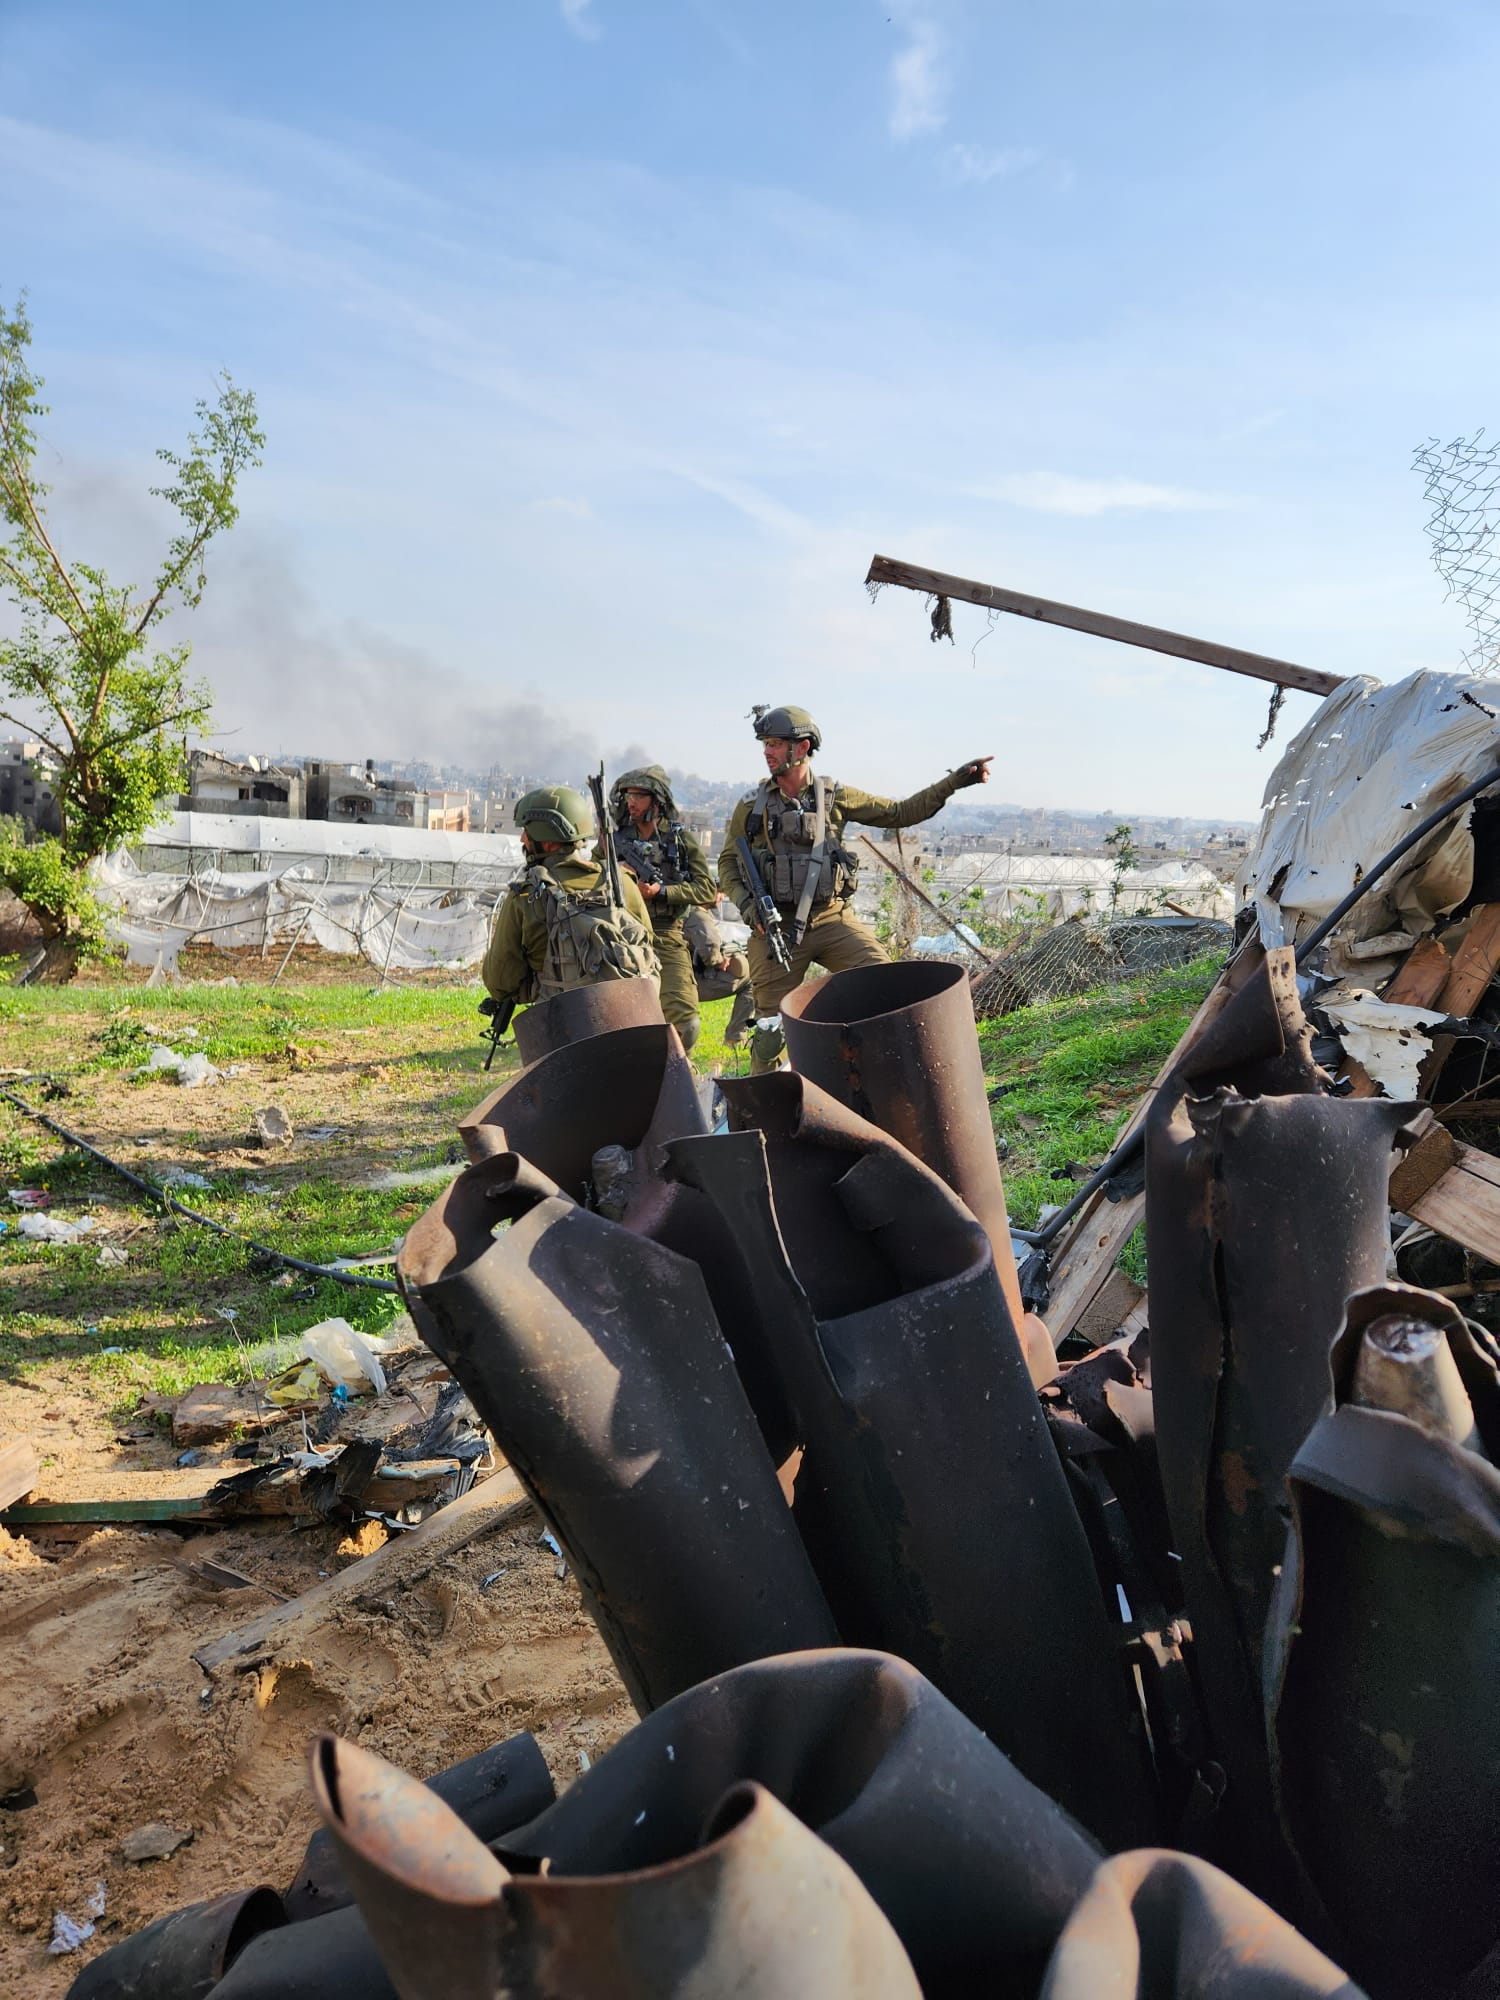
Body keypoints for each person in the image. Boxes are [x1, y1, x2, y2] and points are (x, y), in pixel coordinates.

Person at [717, 705, 992, 1070]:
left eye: (775, 743)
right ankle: (763, 1115)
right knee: (770, 1033)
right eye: (765, 744)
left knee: (883, 984)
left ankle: (883, 1075)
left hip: (832, 920)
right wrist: (749, 909)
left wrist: (953, 782)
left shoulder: (834, 796)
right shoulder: (752, 807)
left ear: (801, 748)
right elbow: (727, 864)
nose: (766, 751)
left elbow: (898, 813)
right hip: (775, 931)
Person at [481, 785, 658, 1026]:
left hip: (563, 1029)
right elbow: (647, 943)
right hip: (634, 1021)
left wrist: (539, 985)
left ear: (550, 842)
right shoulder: (621, 883)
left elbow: (500, 981)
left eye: (528, 832)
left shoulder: (525, 896)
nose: (523, 839)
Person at [606, 765, 717, 1053]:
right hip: (621, 936)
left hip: (666, 935)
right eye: (628, 796)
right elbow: (593, 878)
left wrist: (662, 892)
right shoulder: (615, 840)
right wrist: (618, 874)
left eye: (639, 796)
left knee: (687, 1024)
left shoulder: (679, 841)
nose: (631, 802)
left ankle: (673, 1075)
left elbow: (706, 889)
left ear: (657, 801)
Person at [684, 901, 756, 1048]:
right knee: (752, 980)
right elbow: (710, 953)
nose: (720, 896)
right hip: (690, 983)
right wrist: (720, 960)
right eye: (717, 891)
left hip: (673, 979)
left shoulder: (682, 910)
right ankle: (735, 1038)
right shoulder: (698, 915)